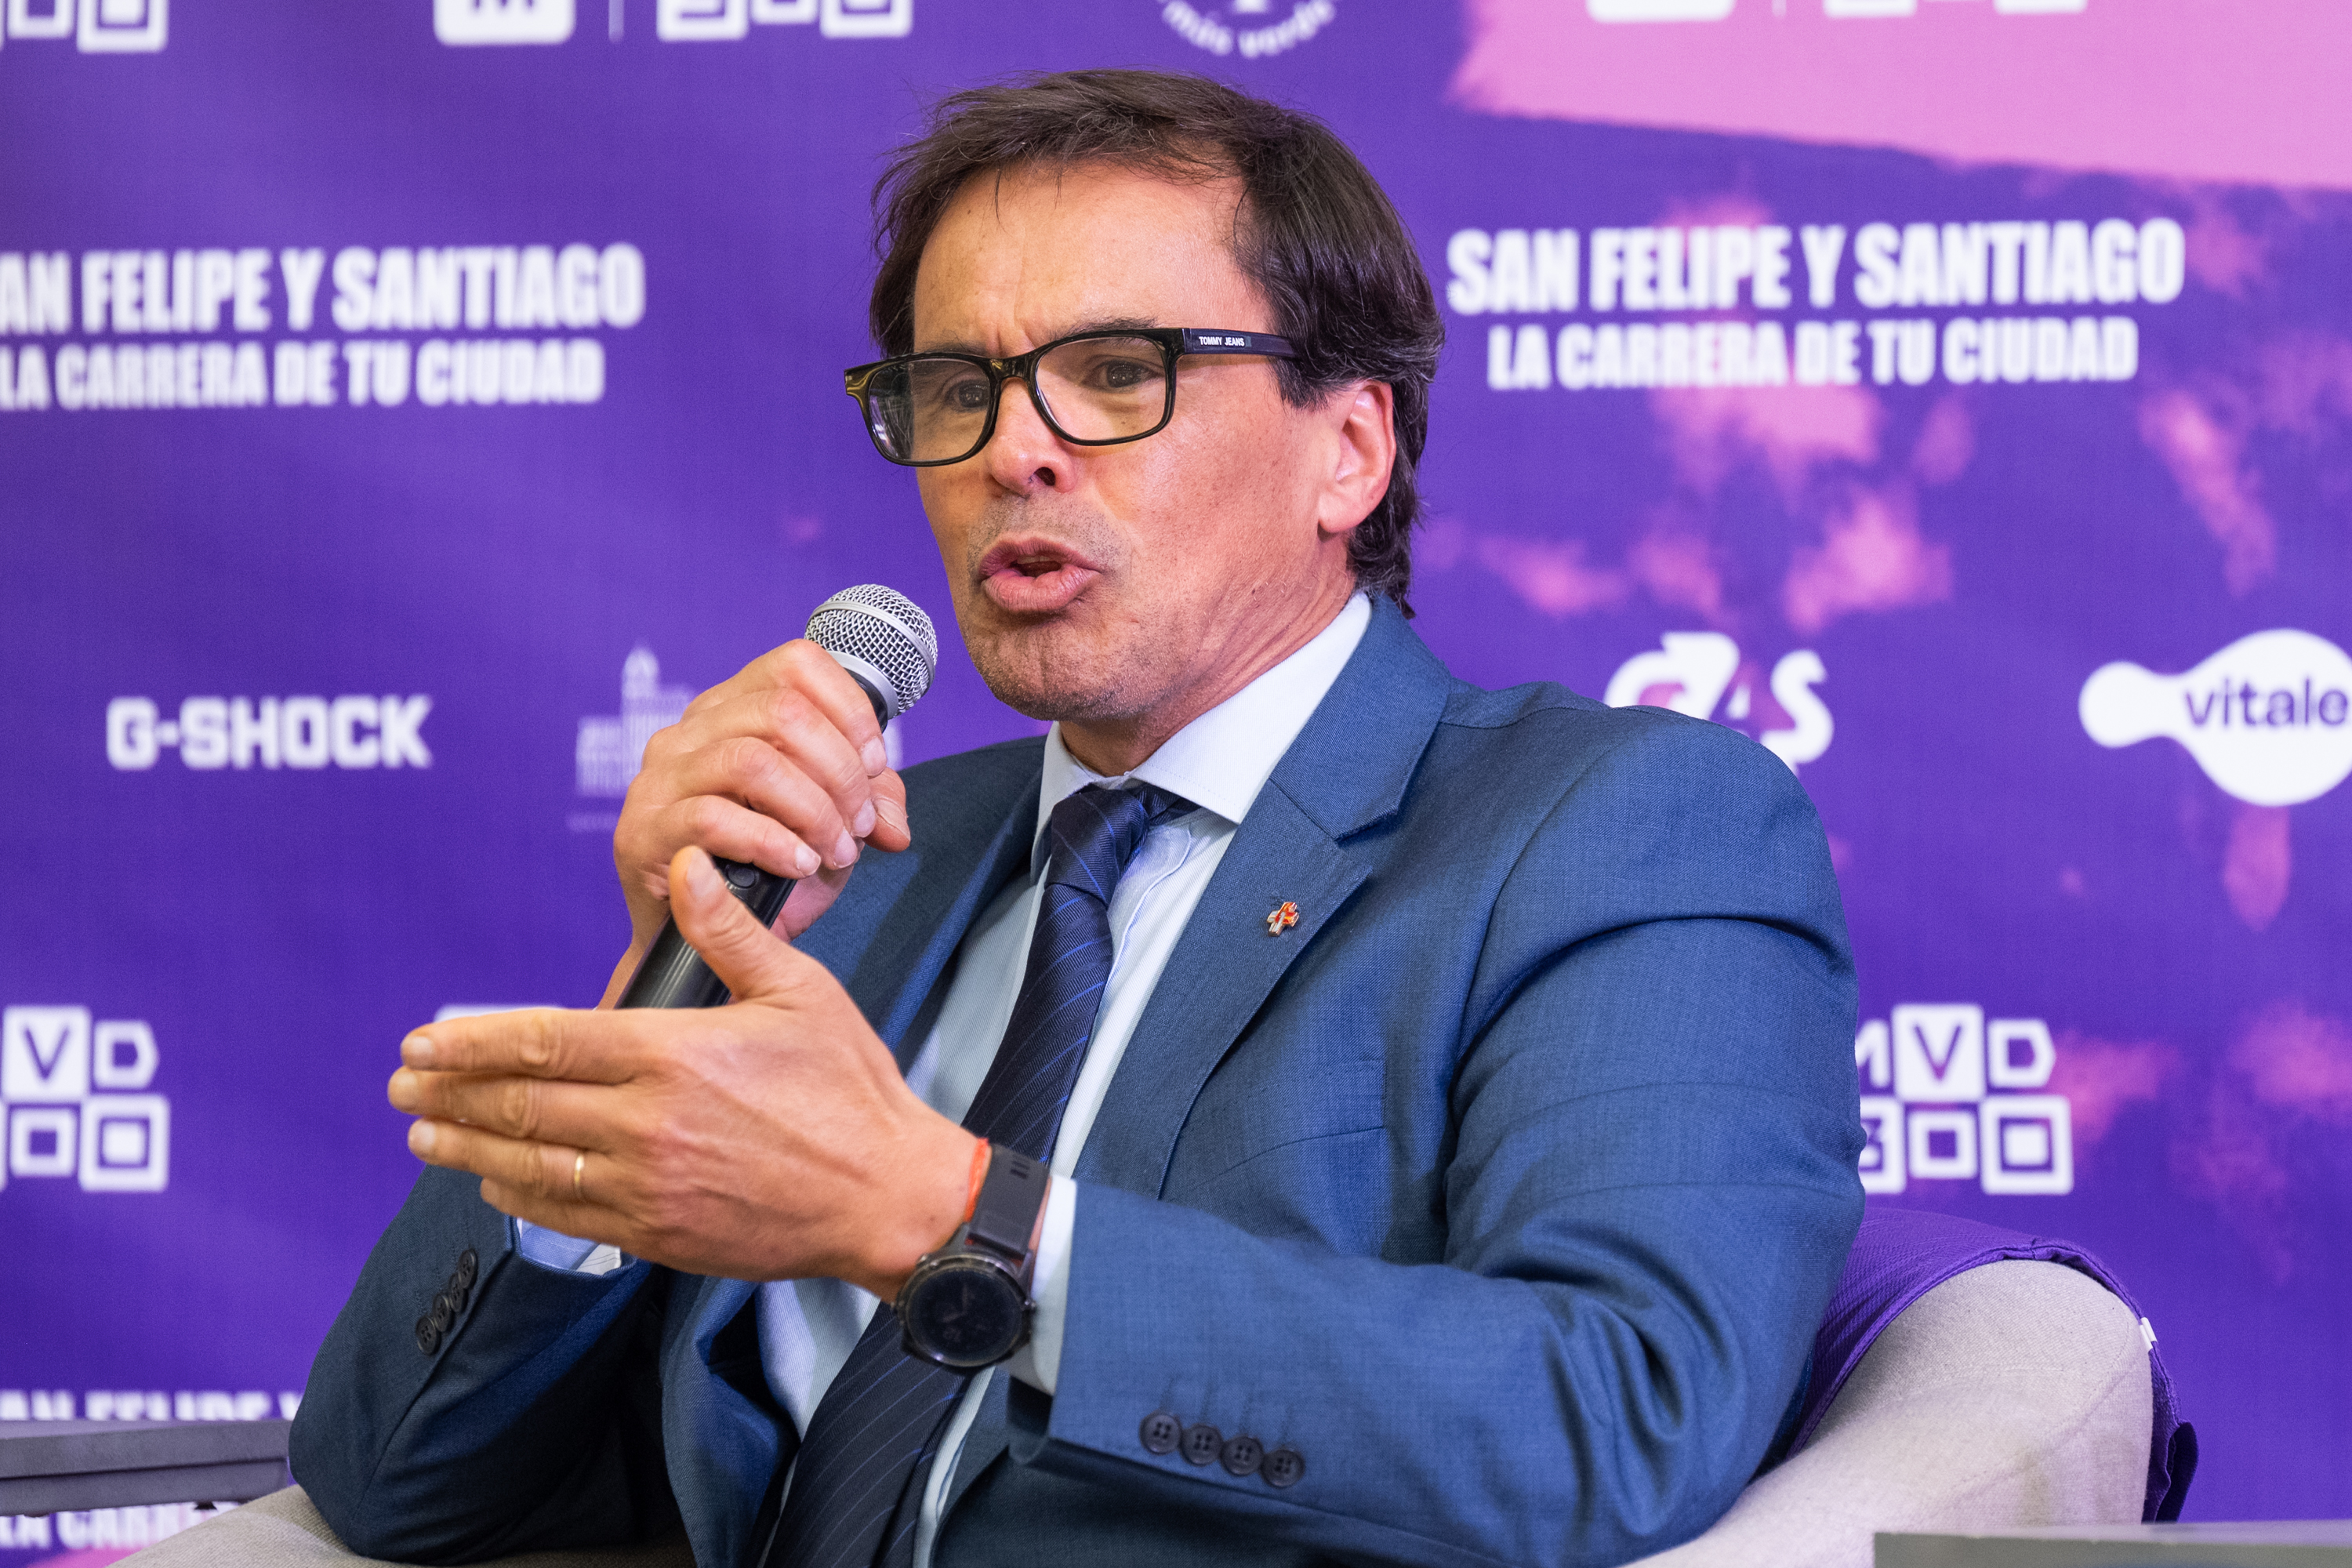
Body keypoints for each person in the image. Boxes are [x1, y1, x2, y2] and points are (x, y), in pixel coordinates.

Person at [291, 69, 1864, 1568]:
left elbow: (1621, 1413)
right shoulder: (861, 860)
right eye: (956, 388)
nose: (1011, 452)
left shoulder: (1617, 827)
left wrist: (940, 1216)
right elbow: (388, 1477)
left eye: (1117, 372)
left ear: (1348, 452)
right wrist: (670, 972)